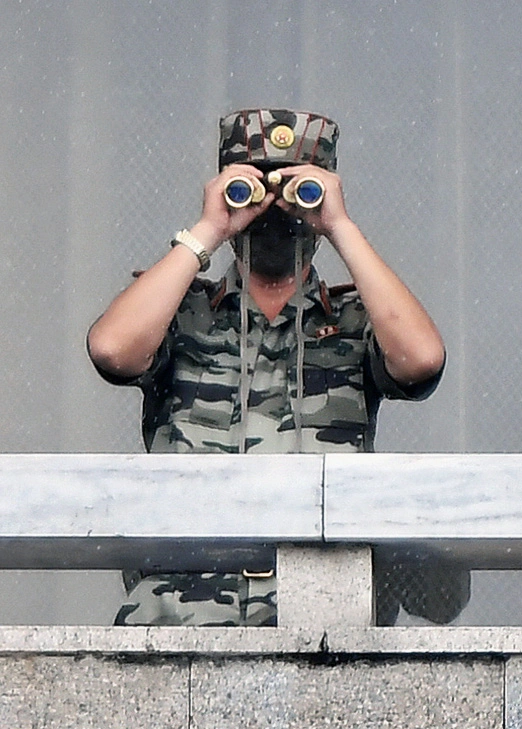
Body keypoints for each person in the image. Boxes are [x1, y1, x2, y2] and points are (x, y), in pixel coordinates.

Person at [88, 108, 466, 626]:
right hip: (178, 623)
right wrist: (208, 230)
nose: (271, 212)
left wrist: (339, 225)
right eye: (251, 188)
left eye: (292, 191)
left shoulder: (356, 323)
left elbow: (422, 360)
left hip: (322, 629)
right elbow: (113, 349)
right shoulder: (180, 314)